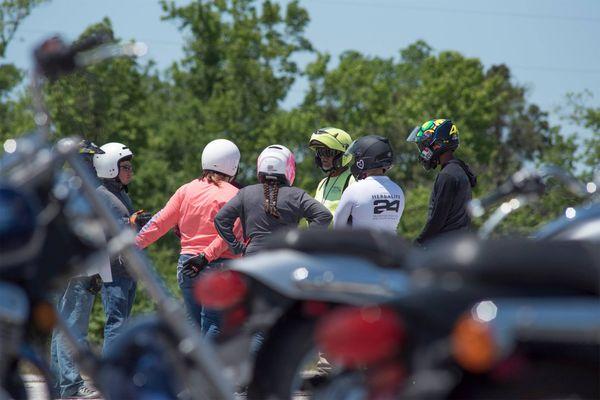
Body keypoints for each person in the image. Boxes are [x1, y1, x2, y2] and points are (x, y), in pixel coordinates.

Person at [135, 139, 243, 339]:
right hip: (217, 266)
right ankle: (207, 370)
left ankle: (191, 369)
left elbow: (159, 222)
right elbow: (229, 235)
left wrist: (134, 245)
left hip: (187, 264)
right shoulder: (235, 195)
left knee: (192, 327)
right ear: (233, 165)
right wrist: (205, 256)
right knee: (214, 323)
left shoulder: (186, 190)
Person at [50, 140, 108, 399]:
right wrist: (98, 271)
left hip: (62, 269)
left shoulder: (61, 186)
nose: (95, 165)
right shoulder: (84, 190)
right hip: (80, 271)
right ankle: (71, 385)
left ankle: (59, 384)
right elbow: (90, 237)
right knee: (74, 330)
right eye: (91, 160)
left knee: (61, 328)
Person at [215, 144, 332, 257]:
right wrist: (305, 243)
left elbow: (221, 219)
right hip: (285, 256)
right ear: (289, 168)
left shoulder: (245, 193)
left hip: (252, 257)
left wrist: (236, 247)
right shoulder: (297, 195)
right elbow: (324, 215)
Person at [93, 142, 146, 354]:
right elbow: (99, 227)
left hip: (128, 267)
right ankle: (109, 377)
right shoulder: (101, 194)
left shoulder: (121, 194)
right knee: (115, 323)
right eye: (125, 167)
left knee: (123, 323)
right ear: (110, 168)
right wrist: (129, 222)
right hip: (114, 268)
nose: (130, 171)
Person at [406, 119, 477, 245]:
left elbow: (437, 220)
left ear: (437, 144)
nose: (422, 151)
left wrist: (418, 244)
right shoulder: (460, 170)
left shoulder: (447, 175)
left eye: (423, 146)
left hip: (445, 248)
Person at [333, 135, 404, 233]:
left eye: (357, 157)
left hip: (361, 247)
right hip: (391, 247)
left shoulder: (354, 190)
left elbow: (338, 227)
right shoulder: (398, 190)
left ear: (365, 159)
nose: (356, 161)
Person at [308, 127, 356, 213]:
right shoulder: (322, 183)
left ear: (344, 154)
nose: (323, 157)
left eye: (328, 152)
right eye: (320, 152)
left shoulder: (353, 181)